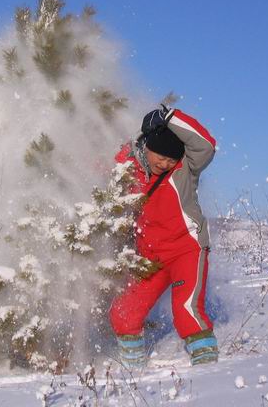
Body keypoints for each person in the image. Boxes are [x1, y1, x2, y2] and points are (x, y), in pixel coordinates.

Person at [109, 106, 218, 367]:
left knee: (187, 311)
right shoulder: (127, 168)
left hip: (187, 250)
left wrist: (168, 117)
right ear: (147, 147)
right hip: (151, 257)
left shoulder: (185, 169)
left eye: (171, 159)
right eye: (161, 156)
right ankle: (132, 373)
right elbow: (100, 165)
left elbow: (207, 145)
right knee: (124, 313)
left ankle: (208, 371)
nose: (165, 163)